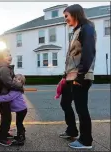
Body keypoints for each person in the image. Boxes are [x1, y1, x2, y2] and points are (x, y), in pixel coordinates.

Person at [60, 4, 96, 149]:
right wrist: (65, 76)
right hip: (70, 76)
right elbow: (73, 57)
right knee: (65, 103)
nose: (65, 20)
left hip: (81, 76)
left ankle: (86, 141)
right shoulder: (76, 31)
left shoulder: (87, 28)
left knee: (81, 109)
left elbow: (88, 53)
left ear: (75, 14)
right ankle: (72, 130)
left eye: (66, 16)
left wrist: (80, 76)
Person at [0, 50, 24, 146]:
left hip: (4, 96)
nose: (9, 57)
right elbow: (9, 83)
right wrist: (20, 86)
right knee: (6, 118)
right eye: (6, 55)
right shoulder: (4, 69)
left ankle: (4, 133)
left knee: (6, 117)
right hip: (4, 97)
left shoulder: (6, 68)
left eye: (10, 55)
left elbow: (10, 81)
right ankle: (0, 138)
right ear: (1, 58)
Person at [0, 74, 27, 146]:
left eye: (19, 79)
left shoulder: (17, 90)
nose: (16, 79)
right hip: (20, 110)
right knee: (19, 123)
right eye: (15, 77)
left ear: (22, 83)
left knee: (19, 123)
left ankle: (21, 138)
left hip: (22, 110)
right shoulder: (14, 88)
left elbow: (9, 97)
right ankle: (21, 135)